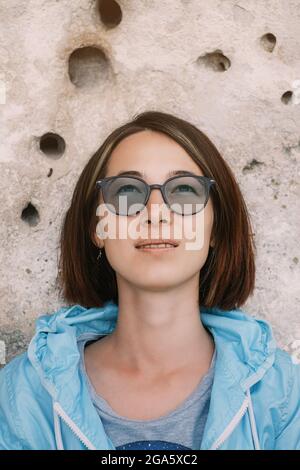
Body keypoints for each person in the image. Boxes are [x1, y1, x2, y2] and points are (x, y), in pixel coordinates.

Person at [0, 110, 299, 450]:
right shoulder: (22, 397)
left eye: (185, 190)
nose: (156, 211)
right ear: (96, 229)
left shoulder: (284, 395)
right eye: (126, 191)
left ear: (217, 228)